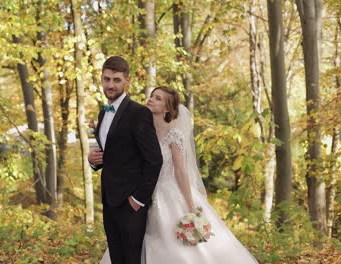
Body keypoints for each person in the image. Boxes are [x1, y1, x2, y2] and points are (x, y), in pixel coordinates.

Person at [101, 86, 258, 263]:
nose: (151, 99)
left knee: (175, 247)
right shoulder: (142, 130)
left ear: (167, 108)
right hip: (141, 192)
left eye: (158, 98)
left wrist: (190, 206)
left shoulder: (174, 135)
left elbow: (181, 171)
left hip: (168, 195)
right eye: (152, 96)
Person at [88, 56, 163, 264]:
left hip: (131, 204)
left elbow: (154, 160)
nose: (110, 85)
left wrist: (138, 199)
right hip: (109, 200)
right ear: (101, 79)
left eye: (116, 80)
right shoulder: (103, 113)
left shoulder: (139, 113)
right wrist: (93, 160)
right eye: (107, 79)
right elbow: (112, 154)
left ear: (127, 81)